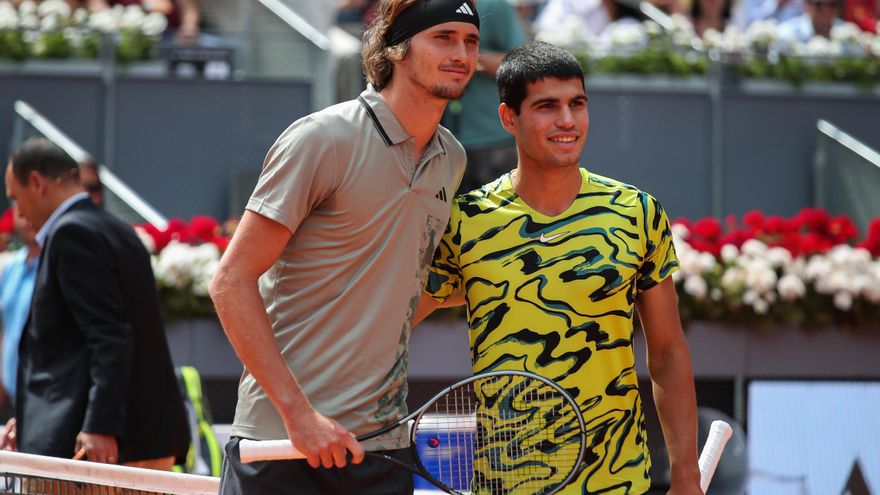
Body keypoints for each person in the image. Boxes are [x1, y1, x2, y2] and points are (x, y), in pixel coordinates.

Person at [207, 0, 479, 493]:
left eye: (471, 41)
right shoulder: (322, 139)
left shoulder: (451, 159)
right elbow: (230, 281)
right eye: (443, 37)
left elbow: (391, 294)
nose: (462, 53)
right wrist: (300, 415)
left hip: (380, 446)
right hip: (282, 443)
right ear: (396, 47)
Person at [415, 40, 702, 494]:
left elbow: (667, 353)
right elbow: (395, 322)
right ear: (509, 118)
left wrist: (687, 474)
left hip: (618, 481)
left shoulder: (637, 212)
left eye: (577, 104)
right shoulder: (465, 220)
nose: (567, 121)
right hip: (505, 482)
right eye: (547, 107)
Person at [0, 138, 189, 470]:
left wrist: (100, 425)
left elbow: (109, 336)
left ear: (37, 183)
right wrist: (30, 421)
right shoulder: (116, 229)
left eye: (16, 198)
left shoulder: (72, 233)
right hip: (138, 439)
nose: (19, 212)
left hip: (109, 450)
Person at [442, 0, 526, 195]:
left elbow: (520, 65)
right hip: (446, 141)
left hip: (492, 140)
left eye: (470, 40)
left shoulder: (494, 5)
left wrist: (469, 56)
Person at [0, 207, 39, 417]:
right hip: (10, 394)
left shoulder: (55, 266)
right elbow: (6, 327)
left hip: (41, 399)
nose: (26, 218)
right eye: (20, 210)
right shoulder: (10, 266)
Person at [777, 0, 845, 42]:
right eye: (819, 4)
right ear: (807, 5)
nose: (826, 10)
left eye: (833, 4)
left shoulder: (847, 33)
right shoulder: (786, 34)